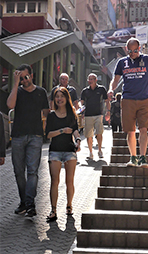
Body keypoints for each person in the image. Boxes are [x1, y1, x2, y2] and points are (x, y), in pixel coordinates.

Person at [7, 64, 49, 217]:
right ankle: (23, 202)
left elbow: (47, 112)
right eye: (21, 77)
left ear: (31, 76)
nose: (24, 80)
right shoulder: (17, 91)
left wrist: (46, 127)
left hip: (35, 136)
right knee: (19, 171)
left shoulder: (41, 92)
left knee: (32, 171)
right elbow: (10, 105)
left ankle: (30, 204)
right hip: (18, 136)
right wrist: (15, 83)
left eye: (26, 77)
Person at [108, 37, 148, 167]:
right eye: (130, 51)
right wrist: (111, 89)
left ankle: (143, 157)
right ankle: (133, 157)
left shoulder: (147, 60)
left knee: (143, 130)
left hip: (144, 99)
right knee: (130, 130)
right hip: (128, 99)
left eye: (135, 51)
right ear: (126, 49)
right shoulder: (122, 62)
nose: (132, 53)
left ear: (139, 48)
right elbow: (115, 79)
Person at [45, 87, 81, 222]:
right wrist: (62, 130)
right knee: (54, 181)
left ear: (66, 98)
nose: (59, 99)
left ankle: (69, 206)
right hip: (55, 151)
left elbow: (75, 130)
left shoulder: (72, 114)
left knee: (69, 181)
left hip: (69, 151)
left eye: (62, 96)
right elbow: (48, 134)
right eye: (57, 96)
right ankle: (53, 210)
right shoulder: (51, 115)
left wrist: (77, 140)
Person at [80, 73, 110, 159]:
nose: (90, 81)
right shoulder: (85, 91)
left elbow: (107, 101)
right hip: (88, 115)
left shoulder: (101, 89)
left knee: (99, 132)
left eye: (92, 79)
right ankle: (90, 152)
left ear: (96, 80)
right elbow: (81, 103)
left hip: (98, 114)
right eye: (89, 79)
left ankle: (100, 150)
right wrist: (81, 112)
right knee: (88, 135)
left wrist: (108, 112)